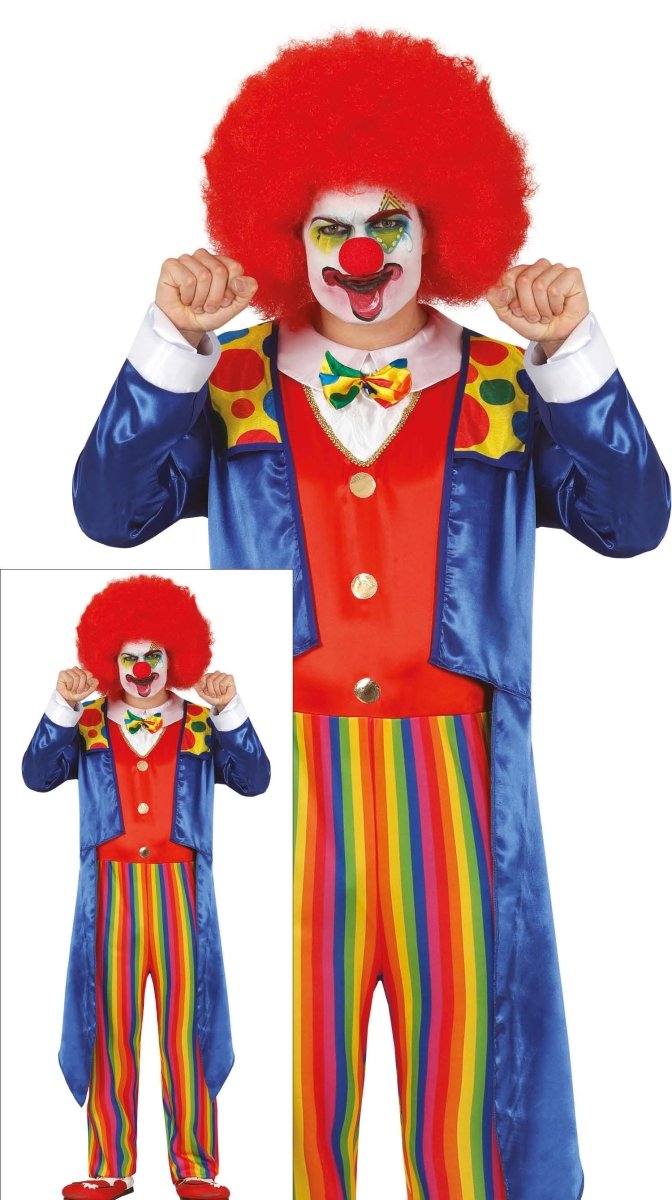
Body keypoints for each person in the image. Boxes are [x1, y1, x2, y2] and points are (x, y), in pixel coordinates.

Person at [71, 29, 670, 1200]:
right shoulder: (231, 381)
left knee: (469, 1095)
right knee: (300, 1095)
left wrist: (573, 353)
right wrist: (174, 343)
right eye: (329, 227)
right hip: (297, 782)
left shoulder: (505, 381)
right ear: (284, 238)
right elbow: (109, 512)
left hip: (459, 783)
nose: (360, 253)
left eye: (388, 221)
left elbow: (633, 519)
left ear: (439, 226)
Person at [22, 575, 271, 1200]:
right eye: (128, 656)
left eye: (153, 655)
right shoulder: (86, 723)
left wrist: (232, 709)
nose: (140, 670)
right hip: (109, 896)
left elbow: (256, 779)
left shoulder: (200, 723)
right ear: (108, 659)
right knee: (109, 1025)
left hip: (182, 894)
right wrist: (59, 702)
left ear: (175, 656)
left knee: (190, 1026)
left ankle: (195, 1165)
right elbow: (36, 774)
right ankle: (110, 1164)